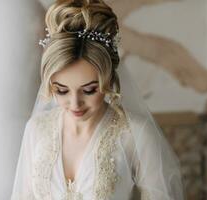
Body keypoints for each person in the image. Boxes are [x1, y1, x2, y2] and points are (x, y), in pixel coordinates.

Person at [11, 0, 185, 199]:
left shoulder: (135, 134)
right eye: (62, 91)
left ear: (109, 79)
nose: (75, 103)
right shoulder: (36, 129)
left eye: (89, 90)